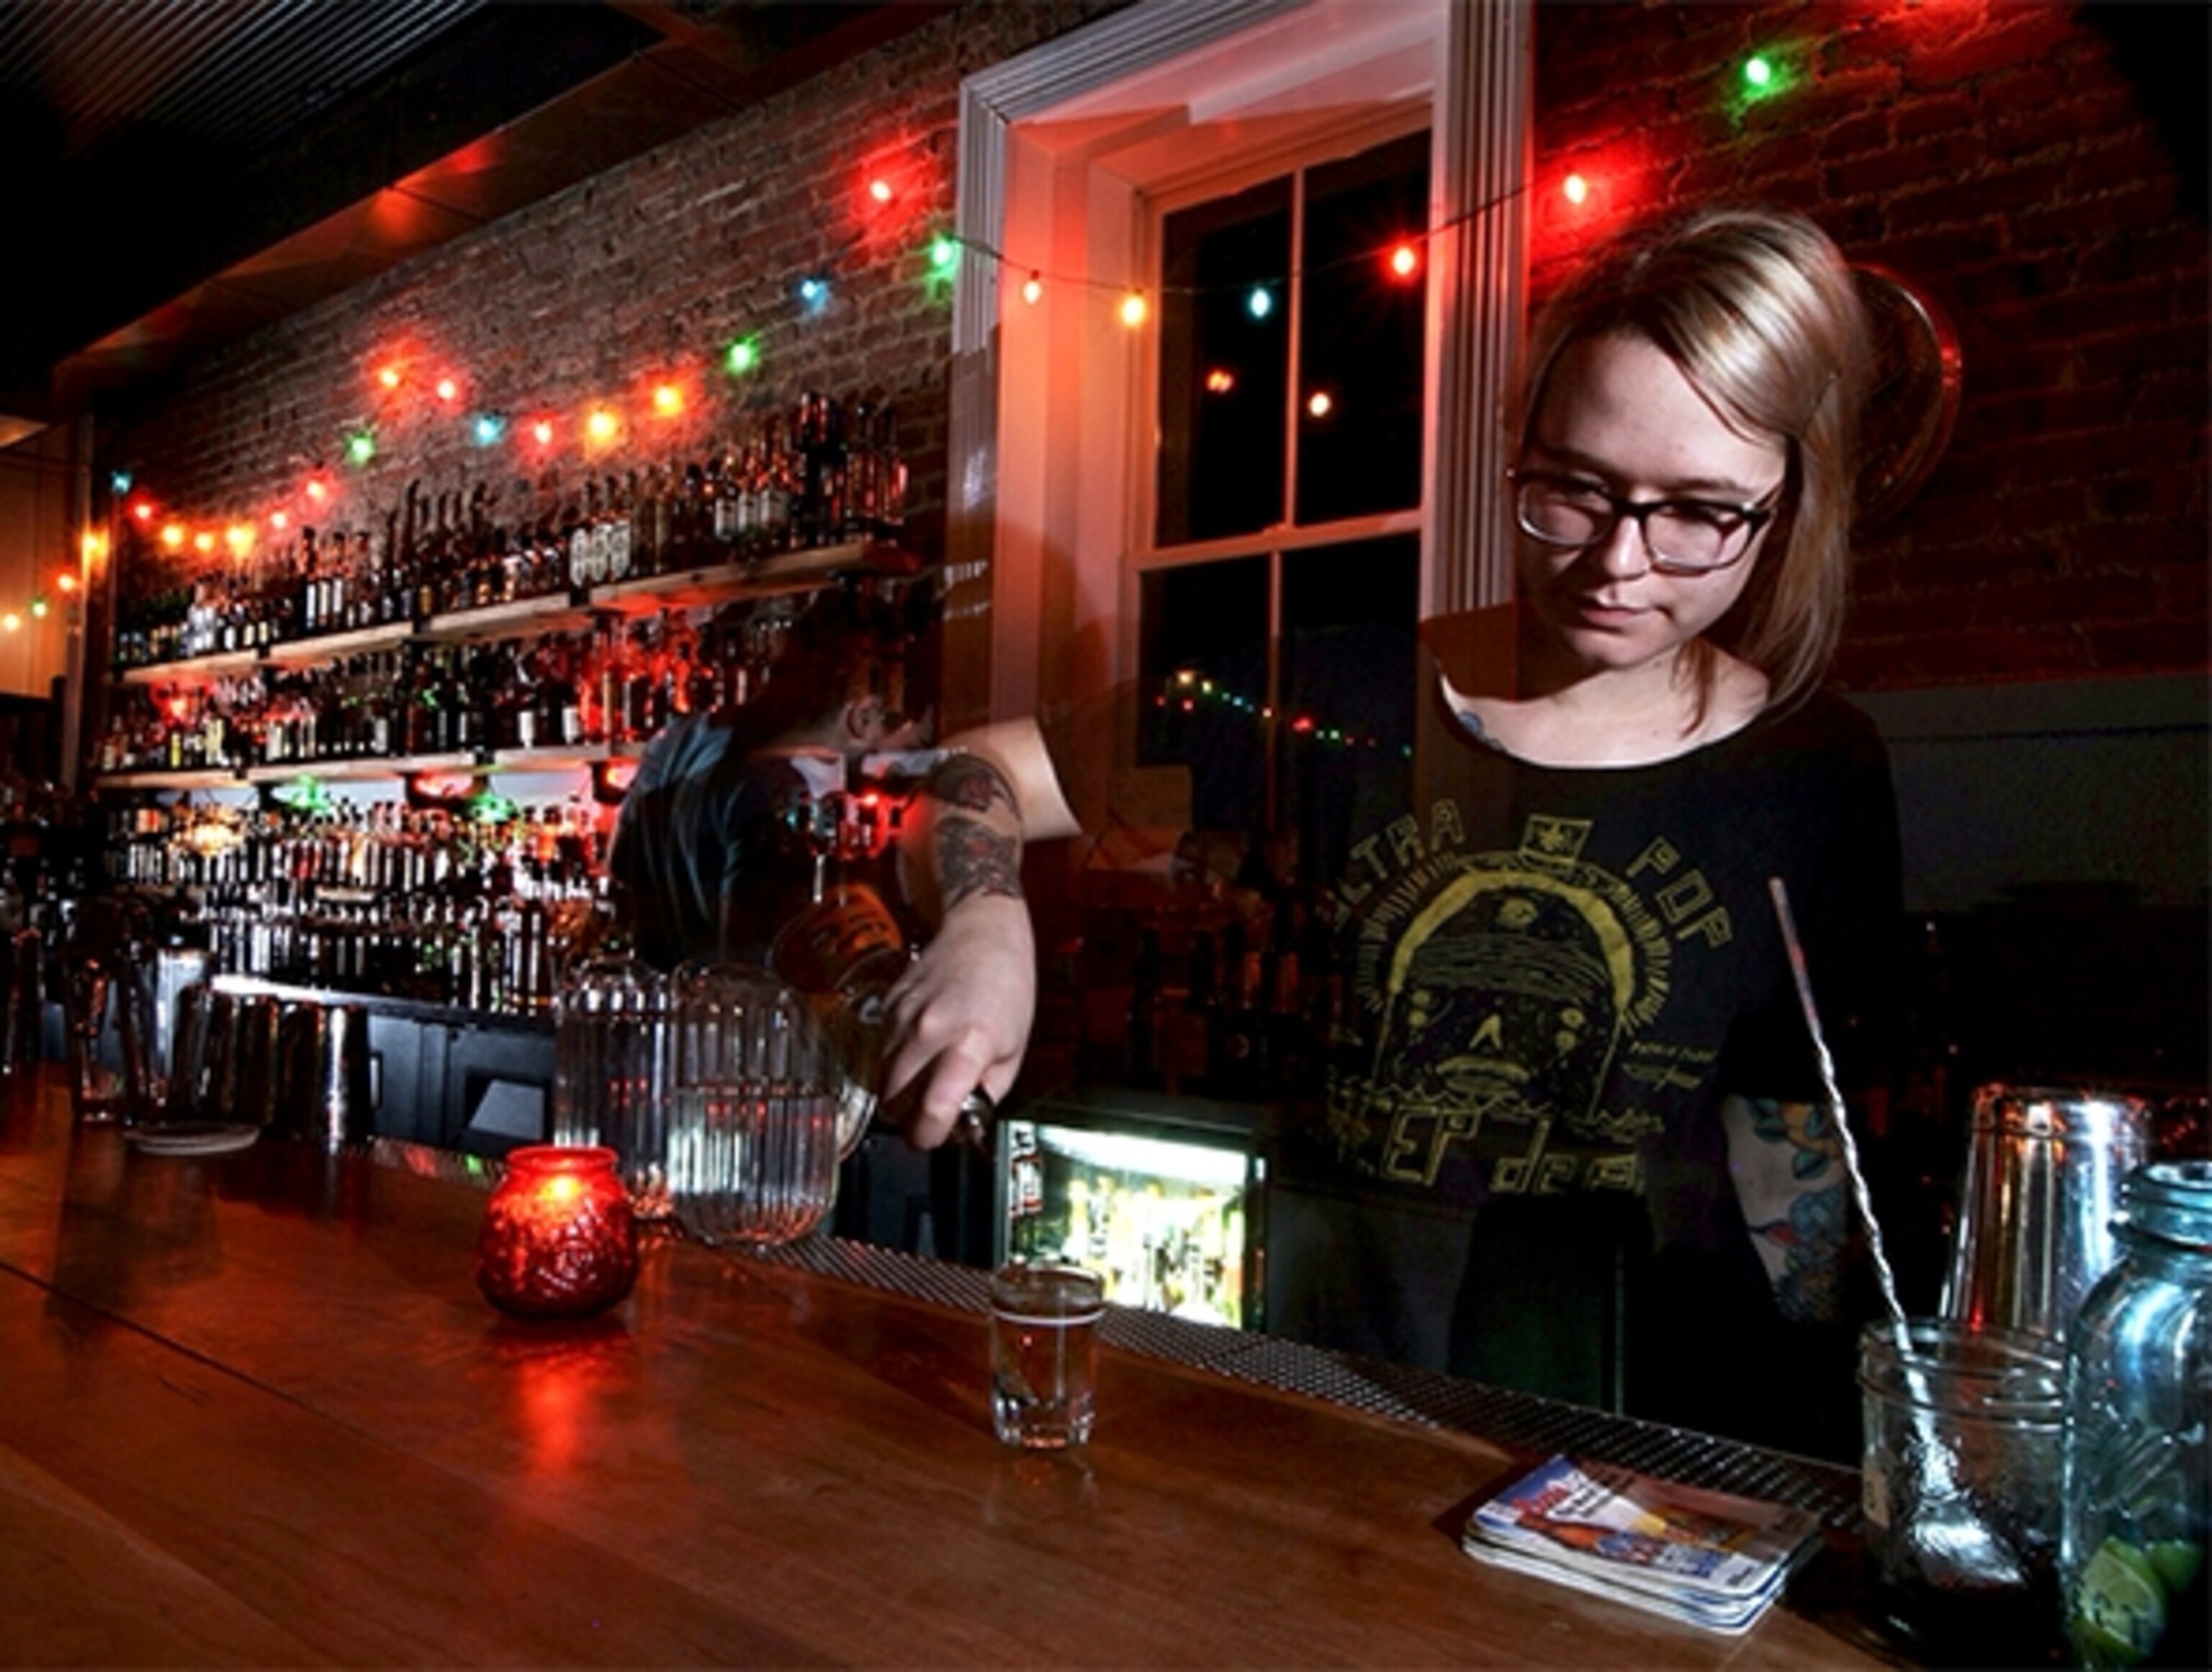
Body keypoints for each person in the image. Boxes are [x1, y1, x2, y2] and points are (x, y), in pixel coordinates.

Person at [1268, 205, 1903, 1461]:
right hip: (1336, 1397)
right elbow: (998, 770)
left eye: (1697, 513)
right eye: (1575, 490)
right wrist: (985, 918)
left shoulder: (1818, 763)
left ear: (1783, 509)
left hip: (1662, 1428)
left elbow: (1795, 1144)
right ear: (1521, 454)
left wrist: (1803, 1441)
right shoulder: (1350, 696)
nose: (1619, 560)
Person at [608, 585, 1034, 1149]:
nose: (903, 757)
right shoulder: (798, 805)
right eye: (909, 736)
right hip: (749, 1106)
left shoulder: (683, 745)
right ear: (862, 719)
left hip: (647, 1068)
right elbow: (794, 969)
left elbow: (618, 879)